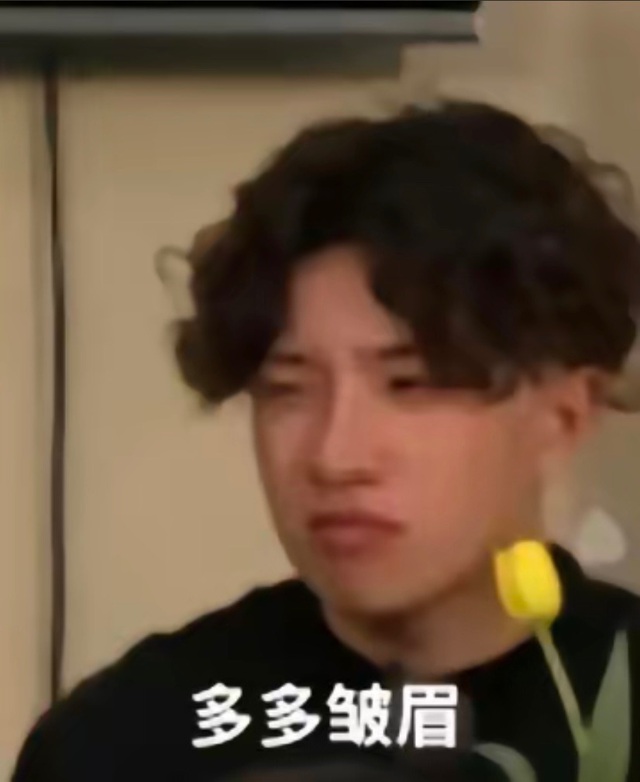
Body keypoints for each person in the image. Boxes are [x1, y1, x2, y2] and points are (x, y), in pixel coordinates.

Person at [12, 100, 640, 782]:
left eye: (410, 384)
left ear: (564, 415)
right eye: (287, 389)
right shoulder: (121, 741)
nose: (334, 457)